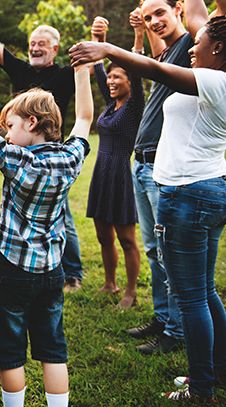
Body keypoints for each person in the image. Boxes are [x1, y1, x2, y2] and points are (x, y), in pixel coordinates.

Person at [69, 0, 226, 404]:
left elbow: (157, 67)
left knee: (193, 298)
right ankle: (223, 373)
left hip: (190, 195)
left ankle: (201, 389)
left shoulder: (217, 80)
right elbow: (194, 27)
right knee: (205, 291)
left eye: (199, 45)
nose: (192, 49)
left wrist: (109, 47)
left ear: (217, 49)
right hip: (211, 189)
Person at [0, 52, 94, 407]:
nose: (6, 133)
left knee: (11, 350)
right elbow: (85, 116)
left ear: (32, 122)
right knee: (53, 349)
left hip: (13, 269)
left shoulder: (15, 158)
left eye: (10, 126)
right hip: (53, 270)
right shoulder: (71, 157)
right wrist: (83, 71)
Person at [125, 0, 226, 356]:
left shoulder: (196, 51)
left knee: (181, 271)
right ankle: (165, 318)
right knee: (158, 253)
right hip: (149, 163)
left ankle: (178, 335)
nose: (155, 20)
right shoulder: (184, 52)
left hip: (179, 178)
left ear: (178, 13)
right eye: (148, 14)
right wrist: (141, 29)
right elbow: (158, 53)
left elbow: (216, 16)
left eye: (161, 13)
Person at [0, 7, 84, 293]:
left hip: (51, 155)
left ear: (55, 48)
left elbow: (87, 92)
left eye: (41, 44)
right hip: (19, 152)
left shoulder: (65, 75)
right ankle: (22, 259)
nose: (35, 48)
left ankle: (72, 273)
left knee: (61, 213)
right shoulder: (21, 70)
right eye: (32, 44)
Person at [85, 16, 145, 310]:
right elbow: (97, 69)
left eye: (117, 77)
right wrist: (99, 38)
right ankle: (110, 283)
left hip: (121, 172)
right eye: (109, 78)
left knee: (126, 238)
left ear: (130, 82)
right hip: (101, 172)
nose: (110, 81)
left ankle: (131, 292)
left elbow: (136, 66)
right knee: (102, 235)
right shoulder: (111, 105)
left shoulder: (135, 106)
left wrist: (137, 36)